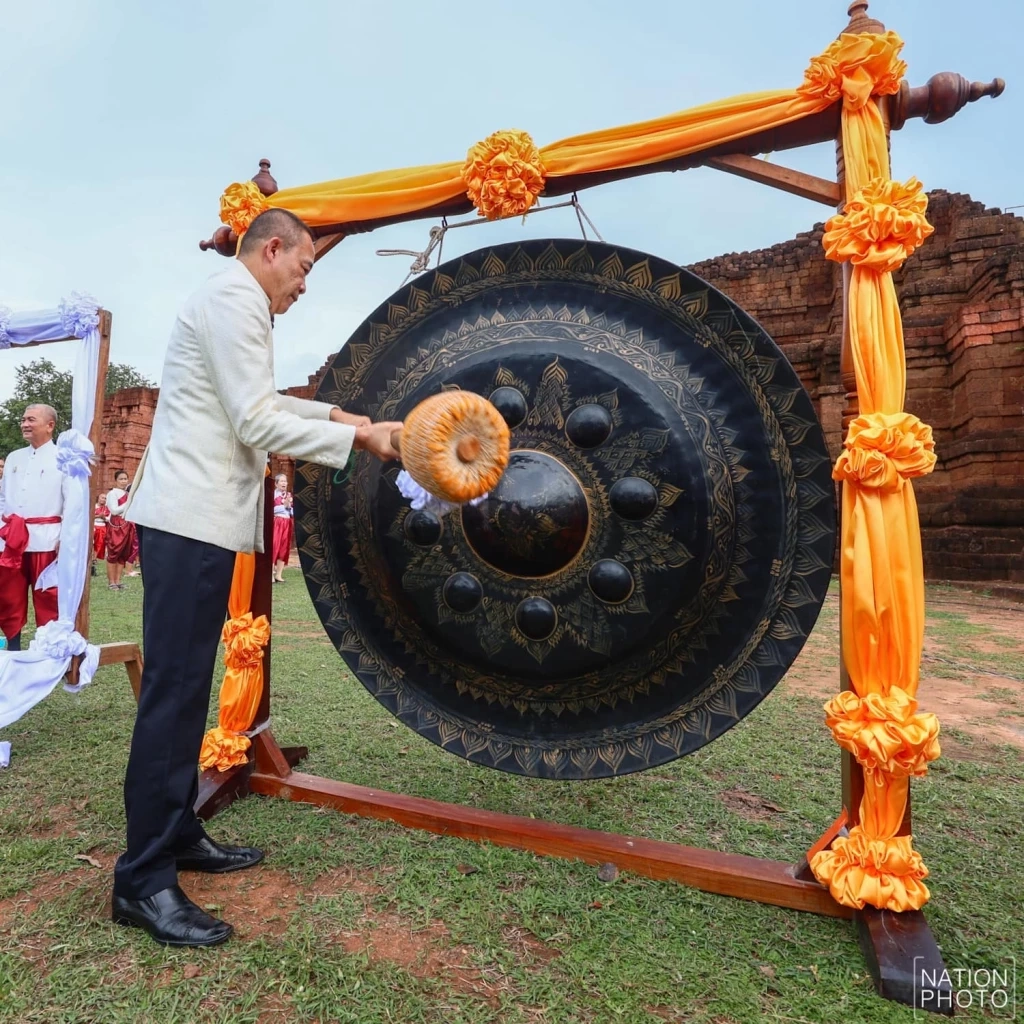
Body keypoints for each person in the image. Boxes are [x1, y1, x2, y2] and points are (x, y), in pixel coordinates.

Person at [113, 207, 403, 948]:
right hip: (187, 521)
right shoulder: (232, 298)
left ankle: (177, 831)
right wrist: (360, 436)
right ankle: (142, 882)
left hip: (202, 523)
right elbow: (255, 421)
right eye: (304, 266)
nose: (305, 283)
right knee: (173, 698)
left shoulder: (237, 302)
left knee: (187, 689)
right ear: (270, 249)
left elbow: (260, 403)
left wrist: (345, 413)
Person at [0, 405, 67, 651]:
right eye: (23, 419)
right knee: (9, 596)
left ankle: (47, 650)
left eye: (31, 419)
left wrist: (66, 538)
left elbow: (72, 501)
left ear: (50, 425)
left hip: (47, 539)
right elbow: (4, 498)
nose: (24, 424)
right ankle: (13, 647)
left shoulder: (64, 457)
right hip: (12, 540)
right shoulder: (15, 457)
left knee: (48, 596)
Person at [105, 470, 135, 590]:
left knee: (123, 554)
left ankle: (118, 581)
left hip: (127, 525)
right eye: (121, 479)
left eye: (125, 479)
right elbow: (114, 510)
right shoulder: (113, 493)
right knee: (114, 553)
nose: (123, 481)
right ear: (116, 480)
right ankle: (111, 582)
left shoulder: (128, 494)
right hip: (117, 525)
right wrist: (129, 502)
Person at [271, 473, 293, 583]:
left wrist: (289, 506)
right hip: (277, 522)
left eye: (285, 481)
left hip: (287, 522)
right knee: (275, 546)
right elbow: (271, 510)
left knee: (284, 548)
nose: (284, 483)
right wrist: (283, 506)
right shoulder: (273, 495)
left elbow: (292, 511)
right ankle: (270, 573)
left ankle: (279, 574)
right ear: (276, 483)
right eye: (282, 481)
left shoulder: (288, 495)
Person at [92, 491, 109, 577]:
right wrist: (99, 516)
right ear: (98, 498)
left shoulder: (106, 508)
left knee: (99, 544)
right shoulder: (93, 506)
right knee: (92, 543)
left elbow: (108, 519)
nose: (104, 499)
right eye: (102, 497)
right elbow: (90, 516)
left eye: (105, 498)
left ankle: (94, 559)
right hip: (93, 525)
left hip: (102, 526)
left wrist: (104, 517)